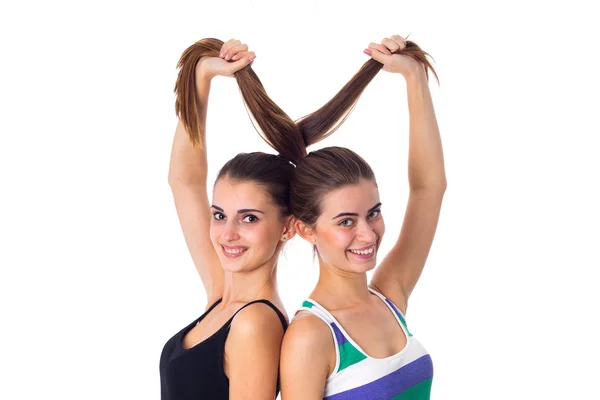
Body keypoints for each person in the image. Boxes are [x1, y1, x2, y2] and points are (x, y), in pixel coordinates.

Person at [252, 34, 445, 399]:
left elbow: (428, 189)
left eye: (372, 213)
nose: (368, 235)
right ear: (305, 230)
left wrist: (414, 78)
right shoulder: (312, 335)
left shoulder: (390, 295)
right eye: (345, 222)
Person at [159, 38, 295, 400]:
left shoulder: (254, 323)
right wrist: (202, 79)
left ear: (288, 227)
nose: (227, 234)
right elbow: (183, 181)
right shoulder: (223, 295)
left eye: (249, 218)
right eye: (219, 215)